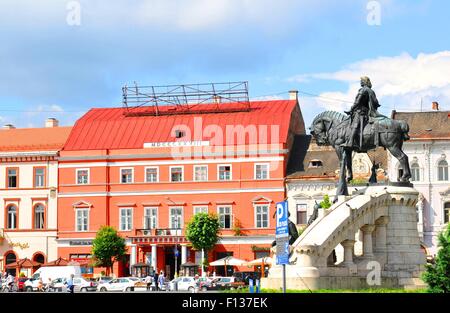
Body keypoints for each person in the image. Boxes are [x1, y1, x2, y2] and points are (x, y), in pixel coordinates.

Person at [342, 76, 382, 149]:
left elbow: (357, 102)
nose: (360, 82)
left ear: (364, 82)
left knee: (355, 125)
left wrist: (351, 109)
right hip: (367, 112)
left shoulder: (363, 90)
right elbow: (376, 102)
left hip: (360, 112)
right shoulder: (371, 91)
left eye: (362, 81)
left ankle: (350, 142)